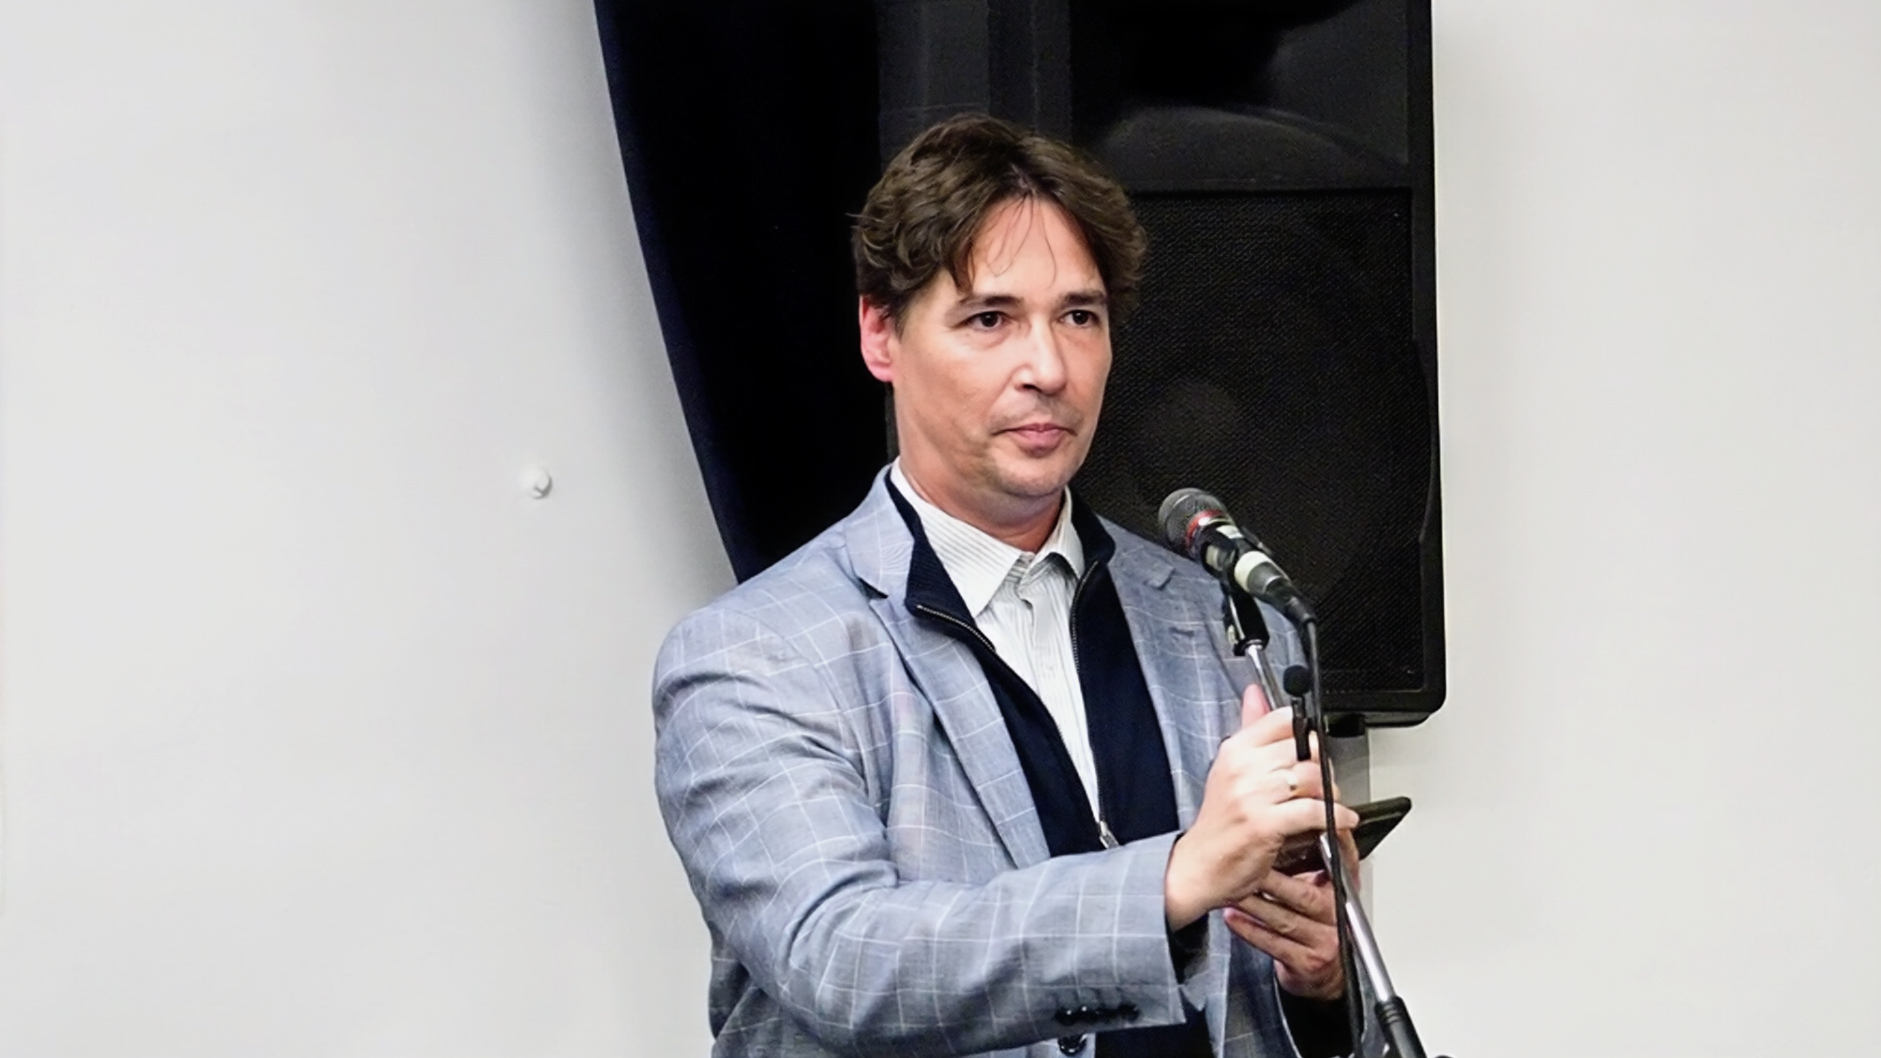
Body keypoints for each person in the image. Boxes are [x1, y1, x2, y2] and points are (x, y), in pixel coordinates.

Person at [653, 113, 1360, 1058]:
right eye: (990, 319)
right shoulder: (756, 654)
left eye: (1079, 316)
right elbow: (844, 963)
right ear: (880, 334)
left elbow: (1271, 1011)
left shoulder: (1224, 622)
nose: (1049, 368)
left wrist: (1321, 984)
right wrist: (1173, 880)